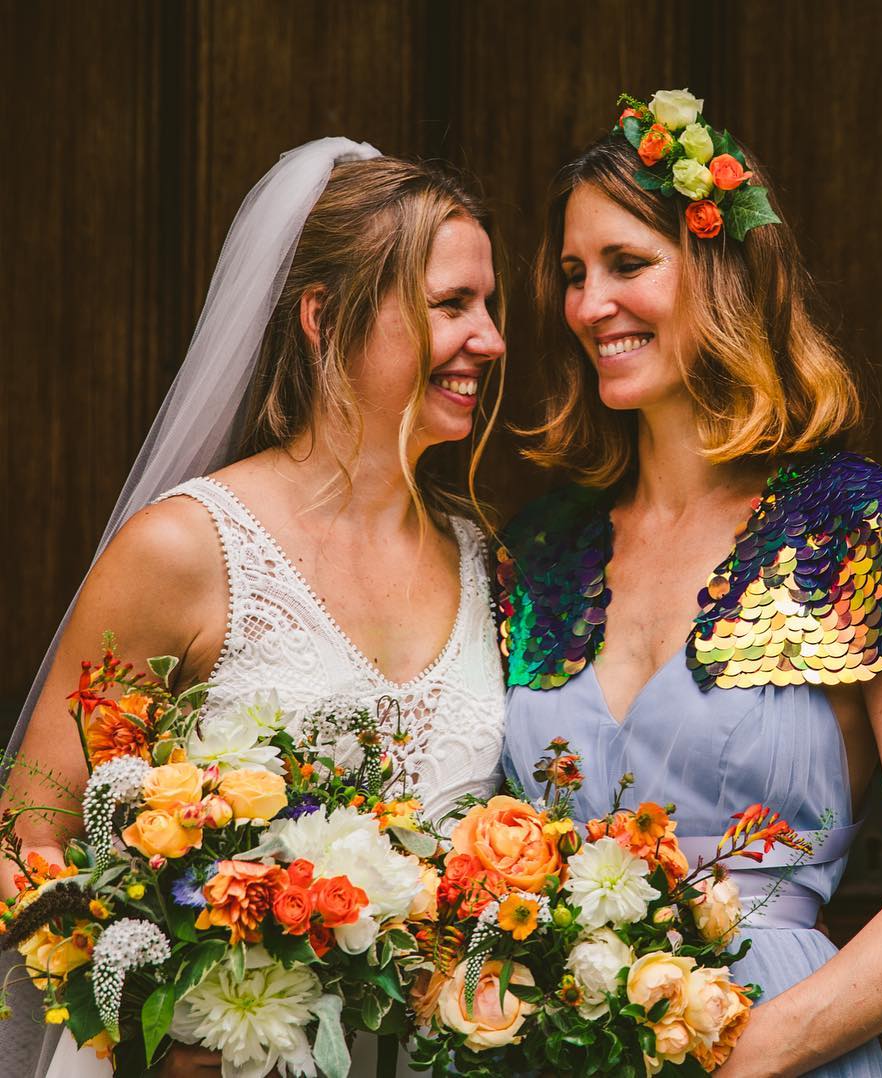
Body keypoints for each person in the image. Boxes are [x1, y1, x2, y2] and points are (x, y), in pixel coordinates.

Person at [497, 90, 882, 1076]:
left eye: (626, 264)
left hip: (773, 1043)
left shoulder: (866, 536)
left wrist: (746, 1052)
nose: (588, 304)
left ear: (720, 272)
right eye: (572, 273)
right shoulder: (537, 552)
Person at [0, 138, 508, 1077]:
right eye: (450, 306)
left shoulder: (487, 564)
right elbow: (29, 837)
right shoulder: (183, 551)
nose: (490, 338)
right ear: (324, 317)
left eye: (488, 305)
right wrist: (160, 1014)